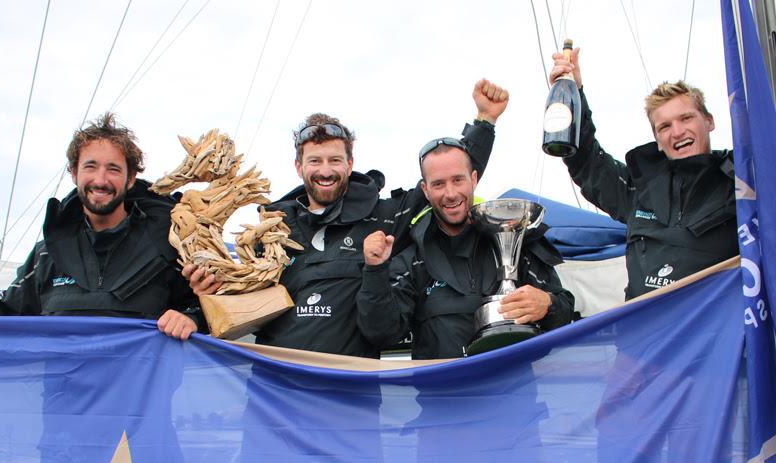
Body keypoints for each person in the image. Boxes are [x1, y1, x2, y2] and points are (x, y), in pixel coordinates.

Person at [185, 79, 509, 357]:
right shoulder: (272, 228)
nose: (325, 170)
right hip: (276, 396)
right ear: (299, 167)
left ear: (350, 163)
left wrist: (484, 121)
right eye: (315, 161)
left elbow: (445, 180)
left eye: (335, 160)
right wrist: (204, 297)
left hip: (352, 397)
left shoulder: (384, 216)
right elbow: (242, 305)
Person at [0, 112, 204, 339]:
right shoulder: (46, 255)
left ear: (131, 178)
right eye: (90, 167)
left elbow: (208, 310)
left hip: (139, 376)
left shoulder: (167, 248)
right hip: (61, 376)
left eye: (113, 169)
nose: (101, 180)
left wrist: (190, 317)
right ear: (74, 173)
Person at [357, 138, 574, 359]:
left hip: (514, 390)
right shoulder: (412, 260)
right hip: (444, 392)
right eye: (438, 184)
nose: (450, 194)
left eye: (458, 180)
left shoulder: (519, 242)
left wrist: (548, 304)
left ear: (473, 179)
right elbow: (382, 333)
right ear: (425, 190)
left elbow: (566, 311)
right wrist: (374, 270)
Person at [549, 48, 737, 300]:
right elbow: (587, 163)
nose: (678, 131)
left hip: (714, 332)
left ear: (709, 121)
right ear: (657, 139)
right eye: (665, 126)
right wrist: (573, 92)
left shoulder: (743, 180)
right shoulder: (637, 190)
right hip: (645, 333)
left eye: (686, 118)